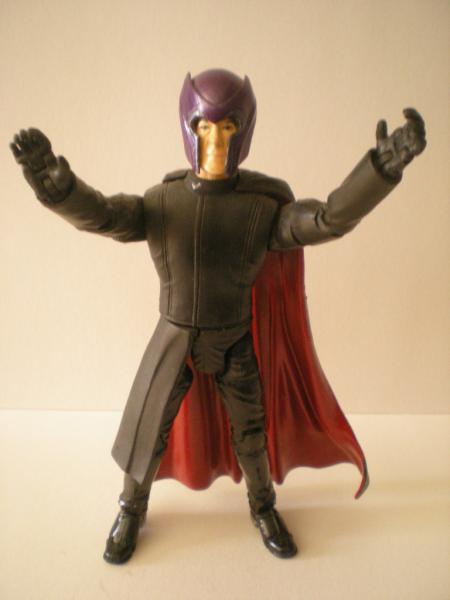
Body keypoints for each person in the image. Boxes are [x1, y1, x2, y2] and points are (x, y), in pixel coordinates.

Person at [10, 69, 426, 563]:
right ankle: (130, 509)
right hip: (173, 340)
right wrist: (58, 188)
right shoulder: (162, 201)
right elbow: (101, 214)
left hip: (234, 340)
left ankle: (263, 506)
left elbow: (327, 219)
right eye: (206, 127)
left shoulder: (260, 207)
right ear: (189, 127)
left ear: (244, 131)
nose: (216, 141)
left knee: (251, 435)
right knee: (149, 431)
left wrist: (379, 171)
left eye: (229, 127)